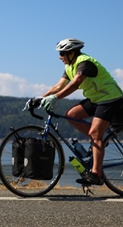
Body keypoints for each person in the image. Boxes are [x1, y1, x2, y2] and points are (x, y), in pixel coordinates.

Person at [40, 38, 123, 185]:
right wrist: (40, 98)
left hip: (110, 97)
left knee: (94, 134)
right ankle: (99, 142)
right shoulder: (69, 66)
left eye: (62, 53)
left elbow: (76, 83)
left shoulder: (85, 63)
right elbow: (59, 86)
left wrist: (55, 98)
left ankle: (96, 174)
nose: (60, 56)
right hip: (96, 98)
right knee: (71, 115)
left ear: (71, 52)